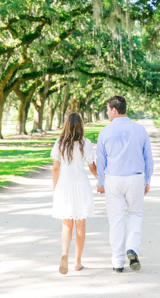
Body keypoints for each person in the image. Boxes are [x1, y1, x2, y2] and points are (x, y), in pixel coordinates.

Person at [97, 95, 153, 273]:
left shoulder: (105, 132)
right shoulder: (140, 130)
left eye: (108, 110)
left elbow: (101, 160)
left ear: (114, 110)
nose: (107, 113)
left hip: (113, 179)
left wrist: (100, 182)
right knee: (135, 214)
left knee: (116, 219)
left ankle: (118, 261)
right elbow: (148, 158)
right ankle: (132, 248)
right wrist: (147, 180)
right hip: (135, 177)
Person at [51, 112, 97, 274]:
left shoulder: (59, 143)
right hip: (81, 186)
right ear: (81, 126)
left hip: (64, 187)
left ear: (66, 125)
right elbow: (92, 166)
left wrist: (55, 188)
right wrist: (101, 179)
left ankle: (64, 254)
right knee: (80, 226)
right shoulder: (86, 143)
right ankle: (77, 262)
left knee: (66, 224)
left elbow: (56, 168)